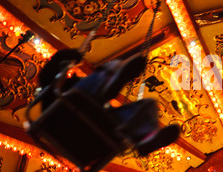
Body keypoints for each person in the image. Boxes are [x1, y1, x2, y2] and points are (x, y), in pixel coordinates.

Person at [38, 48, 180, 157]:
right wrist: (64, 57)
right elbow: (46, 77)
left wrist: (63, 57)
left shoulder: (54, 94)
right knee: (106, 83)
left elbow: (46, 77)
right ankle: (142, 134)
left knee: (148, 104)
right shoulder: (60, 95)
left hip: (84, 136)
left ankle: (144, 136)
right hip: (76, 123)